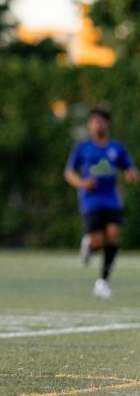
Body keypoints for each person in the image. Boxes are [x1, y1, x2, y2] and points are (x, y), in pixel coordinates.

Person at [64, 107, 138, 298]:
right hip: (91, 201)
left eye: (102, 121)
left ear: (107, 124)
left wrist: (131, 174)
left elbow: (129, 167)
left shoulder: (116, 148)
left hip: (112, 199)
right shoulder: (83, 148)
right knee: (98, 242)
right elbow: (69, 172)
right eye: (95, 121)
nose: (99, 124)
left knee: (113, 236)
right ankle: (89, 244)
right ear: (90, 124)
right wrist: (82, 183)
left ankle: (102, 281)